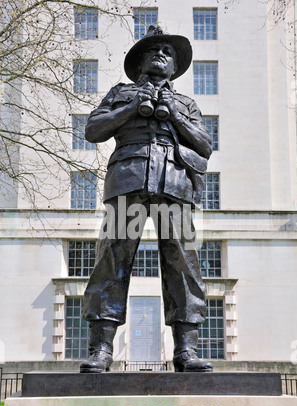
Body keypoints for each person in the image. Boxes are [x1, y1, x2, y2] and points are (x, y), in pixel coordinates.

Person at [80, 25, 213, 373]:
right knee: (112, 261)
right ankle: (102, 349)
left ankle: (186, 350)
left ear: (174, 67)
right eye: (153, 51)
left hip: (175, 184)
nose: (161, 55)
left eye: (167, 53)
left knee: (182, 263)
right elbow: (93, 130)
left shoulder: (186, 103)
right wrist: (132, 108)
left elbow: (204, 146)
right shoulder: (120, 92)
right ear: (140, 62)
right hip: (128, 181)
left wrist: (175, 113)